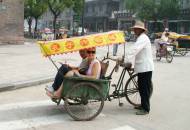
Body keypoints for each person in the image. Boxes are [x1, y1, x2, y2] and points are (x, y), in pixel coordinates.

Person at [125, 21, 154, 115]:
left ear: (140, 30)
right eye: (134, 29)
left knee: (144, 88)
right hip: (142, 67)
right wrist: (130, 62)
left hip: (145, 68)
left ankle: (145, 109)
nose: (134, 31)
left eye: (135, 29)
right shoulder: (140, 38)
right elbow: (137, 53)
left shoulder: (143, 38)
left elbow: (134, 50)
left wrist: (127, 60)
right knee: (141, 87)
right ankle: (142, 104)